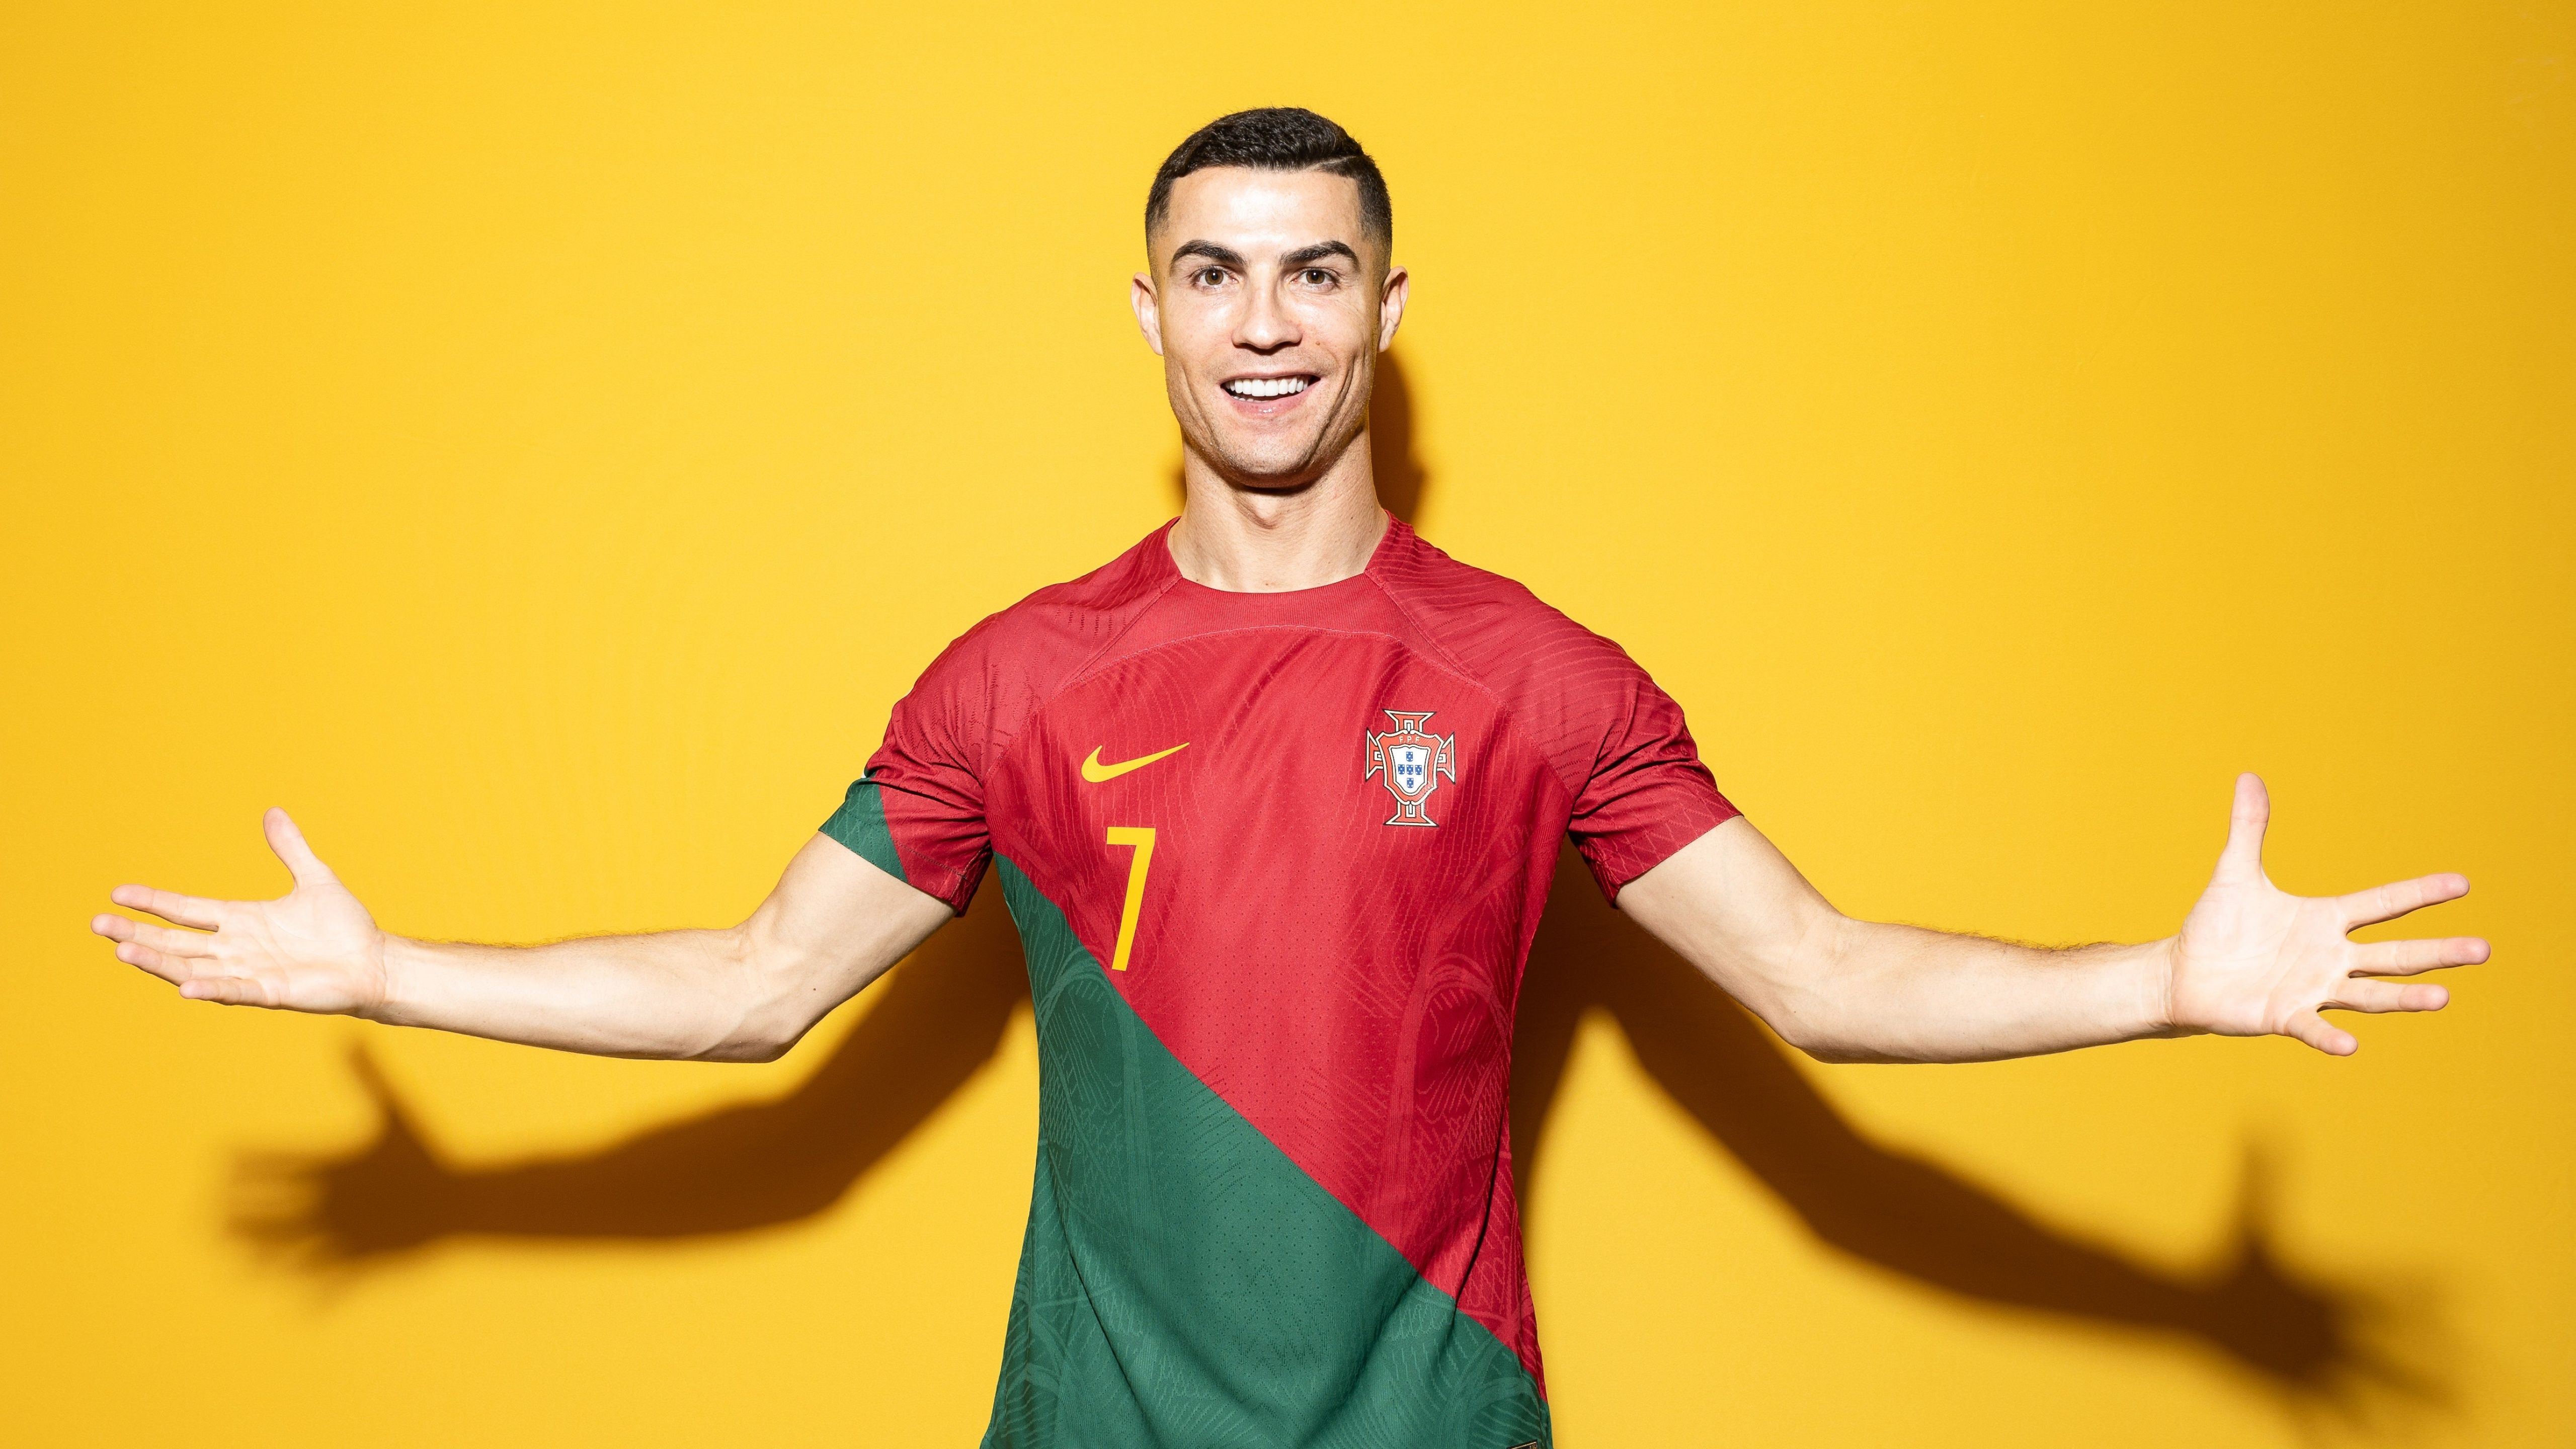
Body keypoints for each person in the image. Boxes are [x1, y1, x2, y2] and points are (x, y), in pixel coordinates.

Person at [90, 108, 2485, 1448]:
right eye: (1212, 276)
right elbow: (744, 988)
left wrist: (2167, 978)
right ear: (1145, 315)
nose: (1262, 323)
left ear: (1384, 311)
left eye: (1311, 273)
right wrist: (383, 966)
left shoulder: (1536, 675)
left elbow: (1831, 981)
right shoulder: (1014, 679)